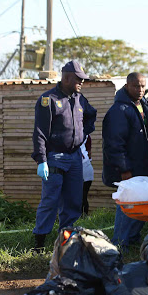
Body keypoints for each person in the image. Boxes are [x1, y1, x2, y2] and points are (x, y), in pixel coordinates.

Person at [32, 60, 97, 252]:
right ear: (67, 77)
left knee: (74, 202)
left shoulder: (79, 98)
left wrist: (83, 133)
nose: (82, 83)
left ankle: (65, 243)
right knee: (50, 201)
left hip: (75, 157)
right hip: (55, 157)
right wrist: (41, 160)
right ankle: (39, 245)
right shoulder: (48, 99)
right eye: (79, 79)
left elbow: (91, 115)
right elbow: (40, 133)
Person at [102, 72, 148, 249]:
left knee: (141, 204)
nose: (140, 90)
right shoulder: (119, 110)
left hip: (143, 166)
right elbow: (114, 144)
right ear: (127, 86)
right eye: (136, 86)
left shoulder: (144, 105)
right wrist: (124, 169)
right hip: (128, 170)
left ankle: (131, 240)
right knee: (127, 206)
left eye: (143, 86)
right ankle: (119, 244)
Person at [80, 135, 94, 216]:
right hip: (82, 168)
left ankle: (83, 217)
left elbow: (89, 153)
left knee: (82, 196)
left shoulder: (86, 136)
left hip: (85, 168)